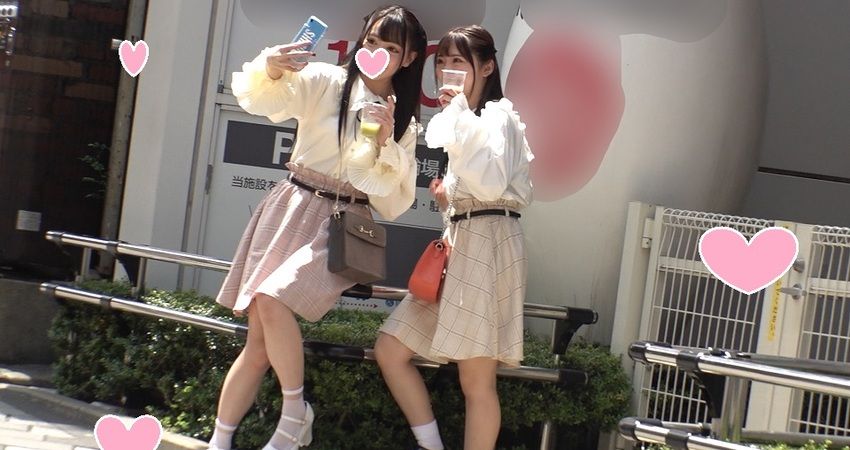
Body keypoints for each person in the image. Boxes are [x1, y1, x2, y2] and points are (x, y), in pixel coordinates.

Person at [208, 6, 427, 450]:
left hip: (344, 222)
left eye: (390, 48)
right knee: (258, 343)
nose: (377, 53)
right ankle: (220, 440)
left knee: (272, 298)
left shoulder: (402, 120)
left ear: (408, 58)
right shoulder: (327, 80)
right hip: (291, 202)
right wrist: (272, 68)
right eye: (371, 42)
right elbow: (268, 100)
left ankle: (295, 413)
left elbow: (392, 200)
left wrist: (385, 144)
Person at [375, 24, 534, 450]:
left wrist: (459, 116)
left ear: (487, 67)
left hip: (488, 242)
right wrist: (449, 199)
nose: (447, 70)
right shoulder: (463, 118)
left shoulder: (498, 116)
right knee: (391, 348)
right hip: (461, 240)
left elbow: (491, 183)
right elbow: (480, 186)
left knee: (476, 380)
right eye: (442, 61)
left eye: (458, 62)